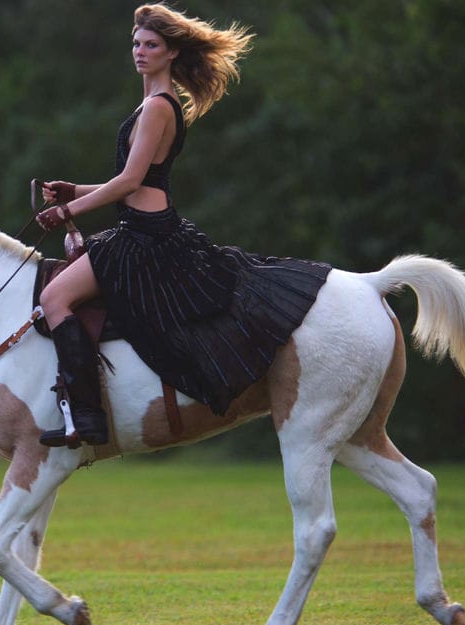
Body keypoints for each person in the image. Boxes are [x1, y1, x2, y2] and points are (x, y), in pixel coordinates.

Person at [35, 3, 331, 447]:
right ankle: (88, 412)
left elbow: (128, 182)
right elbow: (140, 182)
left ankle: (87, 416)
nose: (140, 51)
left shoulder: (158, 107)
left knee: (53, 298)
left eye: (151, 45)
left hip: (144, 238)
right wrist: (73, 190)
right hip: (146, 228)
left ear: (171, 52)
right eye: (136, 43)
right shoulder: (153, 104)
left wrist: (69, 211)